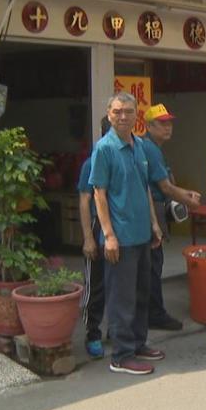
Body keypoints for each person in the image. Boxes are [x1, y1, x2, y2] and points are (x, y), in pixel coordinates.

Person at [89, 93, 166, 375]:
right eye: (118, 111)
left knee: (140, 293)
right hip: (120, 237)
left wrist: (154, 223)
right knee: (122, 298)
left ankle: (137, 343)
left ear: (137, 116)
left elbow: (145, 187)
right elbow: (99, 193)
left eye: (129, 112)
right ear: (109, 114)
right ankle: (121, 356)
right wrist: (108, 235)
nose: (123, 116)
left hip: (141, 233)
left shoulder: (139, 146)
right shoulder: (104, 149)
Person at [141, 104, 202, 332]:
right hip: (151, 209)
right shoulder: (149, 148)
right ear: (148, 126)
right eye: (162, 123)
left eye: (169, 122)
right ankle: (154, 314)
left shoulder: (154, 148)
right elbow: (164, 187)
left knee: (152, 263)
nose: (168, 127)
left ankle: (149, 312)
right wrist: (187, 198)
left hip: (155, 207)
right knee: (153, 264)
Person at [78, 116, 111, 359]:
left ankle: (118, 331)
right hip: (97, 226)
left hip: (120, 226)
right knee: (96, 285)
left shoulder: (129, 155)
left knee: (119, 284)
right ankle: (93, 333)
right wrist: (88, 238)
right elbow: (85, 200)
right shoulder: (92, 162)